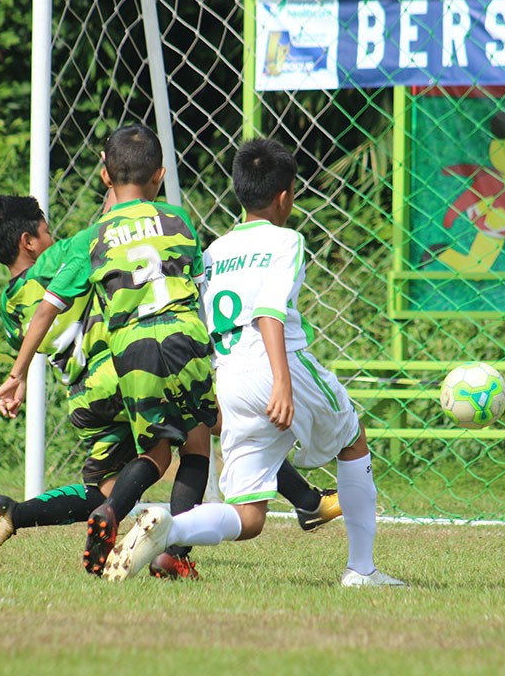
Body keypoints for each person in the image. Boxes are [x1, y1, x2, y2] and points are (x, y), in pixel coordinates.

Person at [0, 194, 341, 572]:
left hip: (85, 398)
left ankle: (14, 514)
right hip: (128, 373)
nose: (52, 238)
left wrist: (16, 376)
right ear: (27, 241)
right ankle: (178, 552)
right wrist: (114, 183)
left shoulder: (9, 305)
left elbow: (33, 334)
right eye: (46, 232)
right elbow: (110, 228)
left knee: (107, 489)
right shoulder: (69, 253)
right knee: (206, 434)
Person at [103, 138, 405, 587]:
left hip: (228, 375)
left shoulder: (214, 252)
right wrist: (281, 382)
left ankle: (170, 527)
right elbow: (269, 311)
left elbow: (199, 322)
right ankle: (362, 569)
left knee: (250, 517)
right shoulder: (287, 240)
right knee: (353, 440)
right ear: (286, 196)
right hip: (276, 365)